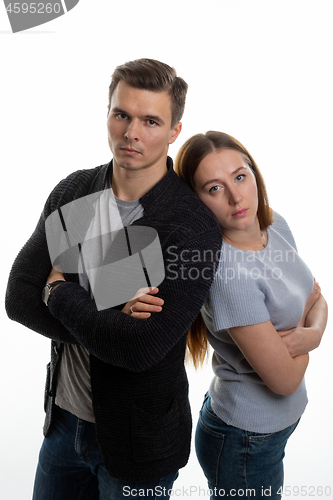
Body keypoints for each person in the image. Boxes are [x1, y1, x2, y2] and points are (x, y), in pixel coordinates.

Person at [5, 61, 223, 500]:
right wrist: (110, 321)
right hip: (63, 426)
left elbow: (139, 348)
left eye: (151, 121)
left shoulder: (187, 225)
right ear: (107, 112)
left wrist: (60, 290)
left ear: (175, 130)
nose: (132, 133)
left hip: (136, 445)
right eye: (121, 114)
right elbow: (18, 299)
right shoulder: (78, 193)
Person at [131, 130, 328, 499]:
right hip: (245, 442)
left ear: (254, 173)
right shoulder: (228, 273)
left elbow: (318, 298)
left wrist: (311, 333)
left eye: (240, 176)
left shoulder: (276, 225)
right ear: (197, 200)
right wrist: (312, 322)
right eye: (214, 188)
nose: (237, 197)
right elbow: (283, 380)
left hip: (271, 431)